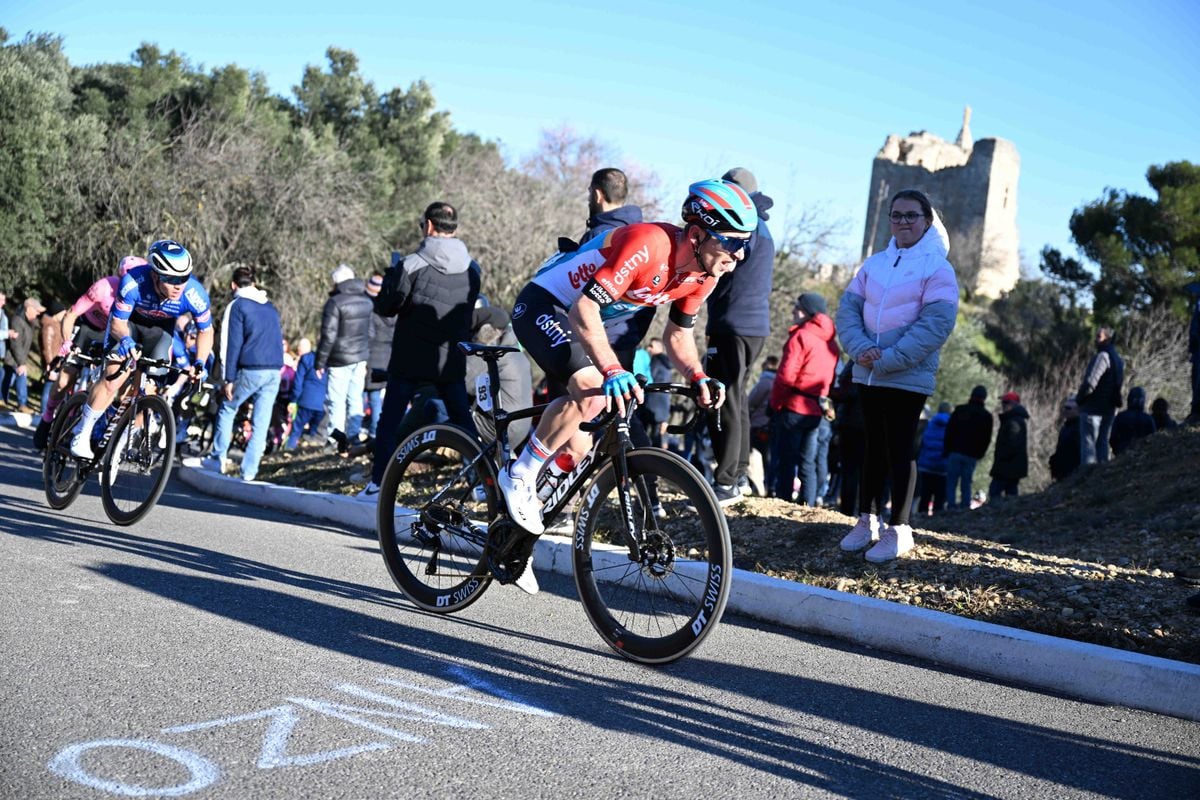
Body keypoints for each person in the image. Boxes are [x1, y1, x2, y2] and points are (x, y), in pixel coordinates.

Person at [500, 178, 750, 565]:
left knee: (582, 442)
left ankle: (515, 541)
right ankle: (519, 474)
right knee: (594, 389)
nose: (739, 255)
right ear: (697, 234)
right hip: (546, 306)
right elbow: (583, 309)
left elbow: (678, 336)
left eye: (745, 244)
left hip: (585, 320)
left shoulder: (705, 275)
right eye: (732, 242)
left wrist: (697, 376)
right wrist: (613, 368)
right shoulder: (649, 244)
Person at [834, 189, 958, 562]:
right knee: (872, 448)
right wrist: (859, 351)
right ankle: (867, 520)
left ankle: (900, 528)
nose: (903, 222)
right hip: (868, 374)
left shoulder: (938, 268)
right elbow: (847, 311)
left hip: (905, 375)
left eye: (911, 215)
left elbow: (937, 323)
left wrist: (888, 358)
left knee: (901, 450)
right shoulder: (873, 264)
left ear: (927, 220)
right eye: (896, 215)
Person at [360, 201, 481, 499]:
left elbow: (387, 308)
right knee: (463, 422)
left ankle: (379, 484)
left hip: (409, 358)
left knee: (389, 423)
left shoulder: (411, 264)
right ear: (456, 230)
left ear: (428, 225)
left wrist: (390, 282)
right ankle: (481, 483)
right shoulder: (473, 269)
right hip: (449, 359)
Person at [69, 241, 213, 459]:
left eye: (183, 278)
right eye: (172, 279)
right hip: (128, 325)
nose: (179, 285)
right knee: (115, 377)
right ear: (155, 275)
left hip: (160, 331)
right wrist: (126, 342)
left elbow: (206, 331)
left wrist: (200, 362)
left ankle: (126, 439)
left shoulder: (194, 293)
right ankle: (83, 431)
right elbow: (117, 323)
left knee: (149, 388)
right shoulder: (133, 282)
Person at [704, 167, 776, 504]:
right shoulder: (763, 228)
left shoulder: (744, 226)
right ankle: (740, 473)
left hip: (732, 324)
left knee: (725, 399)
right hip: (753, 326)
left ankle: (727, 482)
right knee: (738, 399)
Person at [33, 257, 146, 449]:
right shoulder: (103, 288)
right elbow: (71, 314)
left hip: (113, 336)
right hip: (89, 330)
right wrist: (67, 341)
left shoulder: (142, 298)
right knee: (64, 379)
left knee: (113, 381)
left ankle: (95, 423)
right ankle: (48, 417)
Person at [201, 266, 284, 481]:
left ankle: (217, 458)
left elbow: (230, 344)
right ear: (254, 283)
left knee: (228, 408)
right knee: (261, 422)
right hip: (275, 370)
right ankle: (249, 472)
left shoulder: (237, 306)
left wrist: (228, 378)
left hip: (251, 368)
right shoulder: (270, 307)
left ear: (233, 285)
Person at [768, 293, 839, 505]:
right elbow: (831, 378)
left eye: (797, 307)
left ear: (809, 312)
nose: (793, 311)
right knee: (808, 462)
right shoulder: (832, 343)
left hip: (793, 407)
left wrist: (775, 404)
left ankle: (783, 503)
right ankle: (808, 504)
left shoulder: (800, 336)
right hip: (816, 409)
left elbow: (786, 376)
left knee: (786, 459)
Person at [315, 263, 373, 455]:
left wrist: (320, 361)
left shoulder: (335, 303)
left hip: (339, 358)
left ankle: (335, 439)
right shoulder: (366, 301)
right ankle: (354, 435)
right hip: (360, 357)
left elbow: (328, 335)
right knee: (355, 397)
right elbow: (371, 331)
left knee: (336, 400)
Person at [464, 305, 532, 445]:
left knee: (436, 403)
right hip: (518, 430)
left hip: (497, 429)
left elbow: (465, 383)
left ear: (484, 331)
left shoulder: (489, 350)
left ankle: (416, 449)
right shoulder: (514, 349)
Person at [1077, 325, 1124, 465]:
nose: (1095, 340)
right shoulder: (1118, 359)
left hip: (1094, 409)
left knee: (1089, 449)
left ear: (1108, 338)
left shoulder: (1103, 357)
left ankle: (1086, 479)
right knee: (1102, 445)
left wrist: (1080, 400)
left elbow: (1090, 383)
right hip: (1109, 409)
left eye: (1099, 336)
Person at [942, 385, 993, 511]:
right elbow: (986, 439)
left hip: (955, 451)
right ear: (984, 398)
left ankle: (951, 506)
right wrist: (980, 454)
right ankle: (965, 507)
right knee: (966, 482)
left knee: (951, 481)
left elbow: (949, 431)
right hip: (972, 455)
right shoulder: (986, 416)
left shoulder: (960, 410)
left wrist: (947, 449)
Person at [363, 272, 393, 442]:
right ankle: (379, 430)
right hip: (389, 356)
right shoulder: (394, 311)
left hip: (373, 355)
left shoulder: (371, 312)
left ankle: (374, 430)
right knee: (383, 397)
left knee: (373, 396)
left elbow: (369, 335)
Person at [3, 297, 44, 412]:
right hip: (13, 358)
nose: (38, 313)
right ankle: (21, 404)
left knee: (6, 380)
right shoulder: (17, 321)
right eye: (36, 310)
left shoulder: (28, 322)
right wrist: (21, 362)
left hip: (19, 358)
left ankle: (14, 402)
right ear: (29, 309)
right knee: (11, 379)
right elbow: (16, 344)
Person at [285, 337, 327, 450]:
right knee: (314, 435)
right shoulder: (331, 363)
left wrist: (293, 400)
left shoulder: (306, 359)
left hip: (305, 402)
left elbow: (298, 382)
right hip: (322, 405)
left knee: (295, 432)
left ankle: (287, 453)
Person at [746, 354, 778, 497]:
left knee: (756, 457)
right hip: (773, 425)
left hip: (759, 425)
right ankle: (770, 486)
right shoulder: (779, 382)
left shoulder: (764, 382)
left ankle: (756, 484)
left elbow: (751, 401)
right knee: (769, 458)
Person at [988, 391, 1028, 499]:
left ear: (1013, 404)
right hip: (1011, 466)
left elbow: (1013, 444)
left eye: (1006, 403)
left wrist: (1002, 457)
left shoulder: (1014, 422)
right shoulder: (1013, 420)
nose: (1003, 405)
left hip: (1007, 467)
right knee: (1011, 494)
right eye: (1003, 403)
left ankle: (996, 514)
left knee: (995, 492)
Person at [915, 401, 952, 515]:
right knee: (939, 496)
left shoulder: (930, 423)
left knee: (925, 494)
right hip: (943, 467)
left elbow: (922, 442)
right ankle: (937, 517)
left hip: (926, 465)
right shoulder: (952, 425)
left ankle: (922, 515)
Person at [639, 336, 673, 449]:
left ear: (658, 347)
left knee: (644, 438)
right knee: (660, 439)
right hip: (663, 405)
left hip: (651, 404)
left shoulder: (655, 360)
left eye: (651, 346)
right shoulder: (668, 364)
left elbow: (648, 378)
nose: (649, 349)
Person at [1110, 386, 1156, 456]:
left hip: (1123, 452)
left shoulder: (1121, 417)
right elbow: (1153, 439)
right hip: (1141, 454)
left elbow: (1113, 438)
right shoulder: (1148, 419)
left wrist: (1117, 452)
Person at [1048, 395, 1082, 481]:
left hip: (1073, 469)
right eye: (1065, 408)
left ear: (1078, 409)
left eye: (1068, 408)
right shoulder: (1065, 427)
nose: (1065, 411)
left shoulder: (1080, 427)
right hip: (1063, 470)